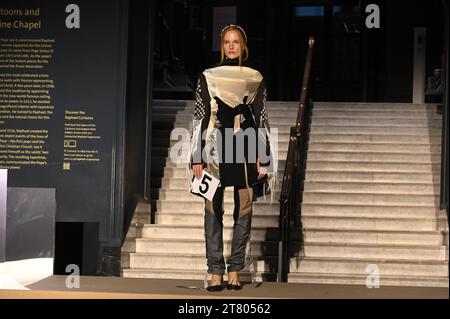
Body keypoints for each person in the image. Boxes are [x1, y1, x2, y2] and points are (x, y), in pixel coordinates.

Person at [187, 25, 275, 291]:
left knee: (244, 208)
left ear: (244, 45)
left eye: (236, 42)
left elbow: (261, 118)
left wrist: (264, 156)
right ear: (222, 45)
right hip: (214, 144)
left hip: (245, 143)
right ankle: (215, 271)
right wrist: (196, 155)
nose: (231, 46)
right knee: (212, 209)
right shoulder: (208, 76)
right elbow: (200, 115)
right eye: (227, 42)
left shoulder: (255, 77)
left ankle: (235, 269)